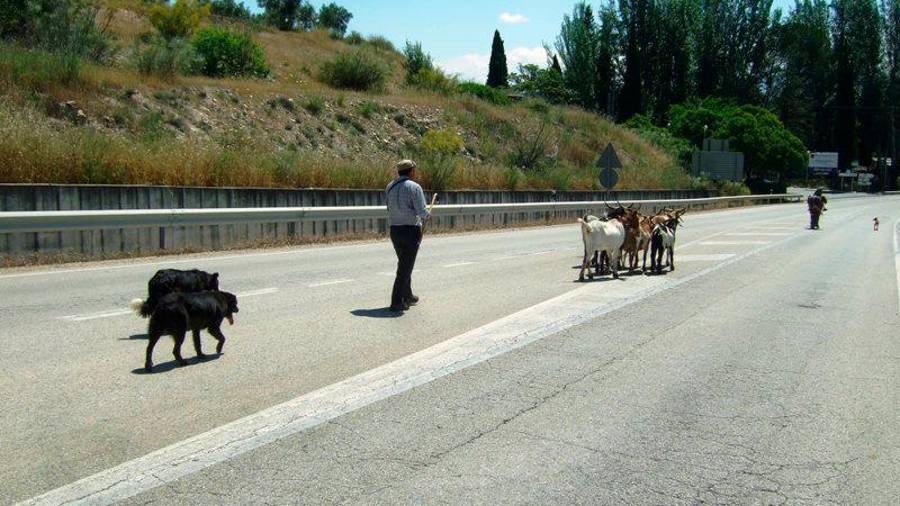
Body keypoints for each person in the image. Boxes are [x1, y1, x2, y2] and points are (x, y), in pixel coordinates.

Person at [385, 160, 431, 312]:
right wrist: (428, 214)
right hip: (410, 230)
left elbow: (389, 208)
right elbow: (422, 211)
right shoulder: (414, 187)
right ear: (411, 171)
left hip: (395, 230)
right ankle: (396, 302)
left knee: (405, 264)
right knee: (405, 267)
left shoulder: (390, 186)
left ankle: (408, 296)